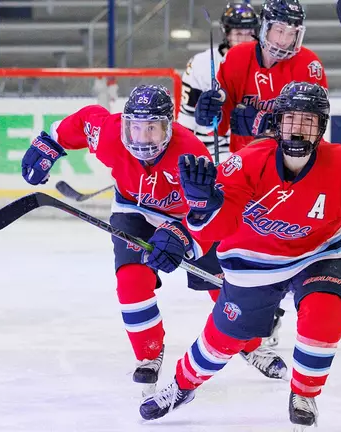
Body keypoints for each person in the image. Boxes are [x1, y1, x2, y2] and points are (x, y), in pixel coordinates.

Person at [137, 81, 341, 428]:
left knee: (324, 311)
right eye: (291, 119)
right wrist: (198, 214)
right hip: (253, 261)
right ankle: (181, 387)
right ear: (278, 122)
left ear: (322, 127)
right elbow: (218, 223)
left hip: (319, 253)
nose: (298, 128)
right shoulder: (248, 162)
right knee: (226, 334)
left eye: (308, 120)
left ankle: (304, 392)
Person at [19, 85, 287, 397]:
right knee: (131, 281)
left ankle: (250, 345)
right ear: (125, 126)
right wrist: (49, 143)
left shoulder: (190, 154)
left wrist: (181, 240)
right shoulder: (109, 135)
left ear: (169, 127)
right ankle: (148, 353)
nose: (143, 138)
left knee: (222, 284)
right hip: (134, 211)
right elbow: (84, 120)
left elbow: (209, 218)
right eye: (136, 128)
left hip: (186, 220)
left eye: (153, 129)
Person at [193, 0, 341, 350]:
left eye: (293, 32)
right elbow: (222, 114)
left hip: (297, 165)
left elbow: (311, 119)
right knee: (261, 242)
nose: (285, 39)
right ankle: (267, 311)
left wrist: (261, 123)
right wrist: (210, 113)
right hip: (251, 171)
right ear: (264, 28)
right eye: (279, 29)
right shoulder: (235, 59)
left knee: (323, 235)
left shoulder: (308, 65)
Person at [178, 1, 259, 158]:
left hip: (251, 151)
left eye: (249, 33)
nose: (244, 39)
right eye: (238, 33)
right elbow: (186, 119)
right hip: (209, 150)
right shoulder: (200, 63)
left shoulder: (266, 65)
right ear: (226, 33)